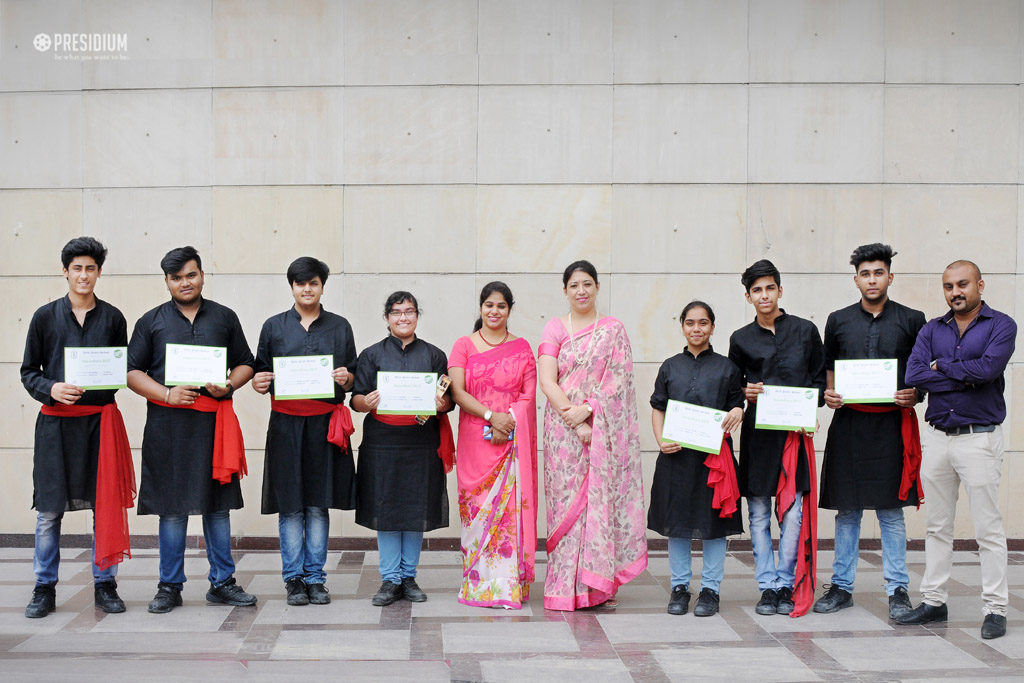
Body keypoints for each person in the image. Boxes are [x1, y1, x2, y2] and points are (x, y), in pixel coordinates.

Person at [127, 246, 257, 614]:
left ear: (202, 275)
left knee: (217, 509)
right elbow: (133, 372)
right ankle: (169, 585)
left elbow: (246, 362)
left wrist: (228, 386)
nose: (185, 282)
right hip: (168, 428)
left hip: (213, 425)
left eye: (191, 275)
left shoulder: (224, 317)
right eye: (177, 277)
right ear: (167, 281)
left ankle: (222, 582)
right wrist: (167, 394)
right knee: (172, 510)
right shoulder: (151, 321)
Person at [898, 260, 1016, 640]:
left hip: (979, 438)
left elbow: (987, 371)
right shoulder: (933, 329)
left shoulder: (1002, 325)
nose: (955, 292)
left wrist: (942, 368)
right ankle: (934, 600)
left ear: (980, 284)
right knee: (936, 526)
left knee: (988, 529)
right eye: (948, 286)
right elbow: (915, 375)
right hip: (937, 437)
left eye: (962, 284)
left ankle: (995, 608)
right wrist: (960, 375)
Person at [21, 237, 134, 618]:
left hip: (99, 425)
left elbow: (121, 369)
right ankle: (44, 588)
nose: (83, 275)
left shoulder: (114, 318)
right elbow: (27, 372)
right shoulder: (44, 316)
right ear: (65, 271)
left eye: (90, 268)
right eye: (77, 268)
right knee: (49, 511)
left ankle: (105, 584)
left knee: (104, 505)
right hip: (55, 427)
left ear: (99, 272)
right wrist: (50, 387)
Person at [815, 244, 925, 619]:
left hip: (891, 426)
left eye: (878, 272)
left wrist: (916, 393)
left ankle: (897, 590)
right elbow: (829, 367)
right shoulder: (838, 319)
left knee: (891, 512)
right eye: (865, 273)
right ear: (857, 279)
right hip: (849, 424)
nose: (872, 279)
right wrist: (829, 395)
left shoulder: (912, 319)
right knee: (847, 511)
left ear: (889, 277)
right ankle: (842, 587)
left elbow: (922, 369)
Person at [537, 260, 647, 611]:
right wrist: (575, 419)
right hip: (562, 432)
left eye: (587, 284)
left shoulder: (613, 330)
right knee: (565, 509)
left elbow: (619, 381)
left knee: (599, 506)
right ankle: (563, 586)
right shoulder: (554, 327)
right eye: (574, 285)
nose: (581, 291)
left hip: (601, 430)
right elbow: (547, 381)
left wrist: (589, 409)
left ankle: (595, 587)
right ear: (565, 291)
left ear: (597, 287)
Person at [251, 257, 357, 607]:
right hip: (285, 425)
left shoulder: (340, 327)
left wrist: (347, 379)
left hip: (323, 425)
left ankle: (316, 578)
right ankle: (293, 579)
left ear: (322, 285)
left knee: (317, 504)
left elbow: (354, 376)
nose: (307, 289)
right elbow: (260, 374)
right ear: (292, 287)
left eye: (313, 283)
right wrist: (259, 381)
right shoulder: (273, 327)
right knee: (290, 505)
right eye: (300, 283)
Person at [728, 259, 825, 618]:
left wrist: (807, 409)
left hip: (794, 438)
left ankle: (786, 582)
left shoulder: (805, 331)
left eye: (770, 288)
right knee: (757, 513)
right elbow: (732, 389)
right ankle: (767, 586)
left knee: (793, 514)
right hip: (758, 438)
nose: (764, 295)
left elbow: (819, 382)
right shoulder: (740, 339)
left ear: (780, 290)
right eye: (757, 290)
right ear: (748, 296)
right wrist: (744, 392)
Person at [351, 291, 453, 606]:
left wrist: (440, 404)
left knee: (415, 508)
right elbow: (355, 400)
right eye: (396, 312)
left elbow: (448, 400)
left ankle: (408, 577)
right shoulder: (371, 355)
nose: (403, 317)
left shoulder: (435, 355)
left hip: (421, 443)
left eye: (409, 311)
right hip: (382, 443)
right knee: (386, 509)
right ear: (387, 318)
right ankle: (389, 579)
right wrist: (366, 402)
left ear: (417, 316)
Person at [649, 301, 744, 617]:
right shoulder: (670, 366)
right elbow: (658, 407)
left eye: (703, 323)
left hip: (714, 461)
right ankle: (679, 588)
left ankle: (710, 590)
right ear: (682, 327)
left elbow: (736, 406)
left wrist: (737, 411)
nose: (697, 329)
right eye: (690, 323)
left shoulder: (727, 368)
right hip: (676, 459)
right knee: (678, 524)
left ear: (712, 327)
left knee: (713, 525)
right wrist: (661, 440)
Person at [448, 282, 538, 609]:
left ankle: (506, 585)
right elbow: (457, 392)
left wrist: (507, 420)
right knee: (476, 513)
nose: (494, 311)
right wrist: (491, 416)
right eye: (488, 305)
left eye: (501, 306)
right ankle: (479, 584)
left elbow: (529, 395)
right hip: (475, 439)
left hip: (510, 440)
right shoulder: (464, 345)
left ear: (509, 309)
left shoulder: (523, 348)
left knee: (508, 515)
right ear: (481, 307)